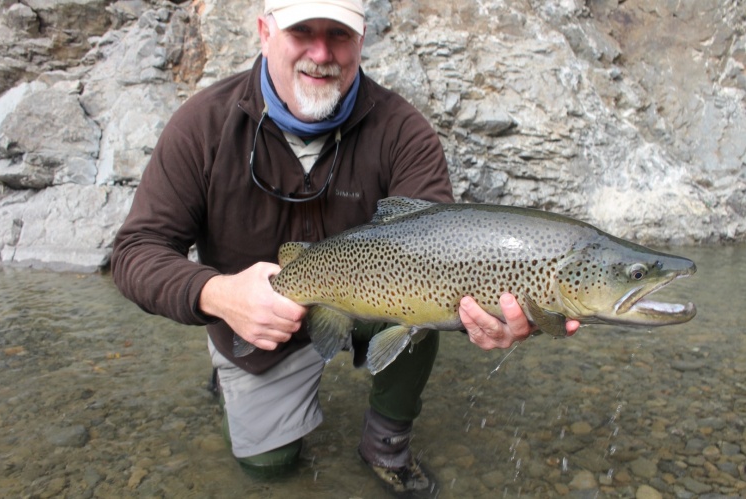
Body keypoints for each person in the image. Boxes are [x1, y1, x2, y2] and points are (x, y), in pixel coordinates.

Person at [111, 0, 579, 493]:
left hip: (376, 307)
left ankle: (386, 444)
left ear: (361, 40)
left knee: (419, 310)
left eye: (338, 34)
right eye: (301, 32)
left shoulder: (403, 133)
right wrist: (219, 296)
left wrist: (489, 318)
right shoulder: (202, 126)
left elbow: (448, 256)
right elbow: (135, 252)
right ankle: (228, 368)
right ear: (263, 32)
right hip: (261, 324)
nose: (321, 52)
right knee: (268, 467)